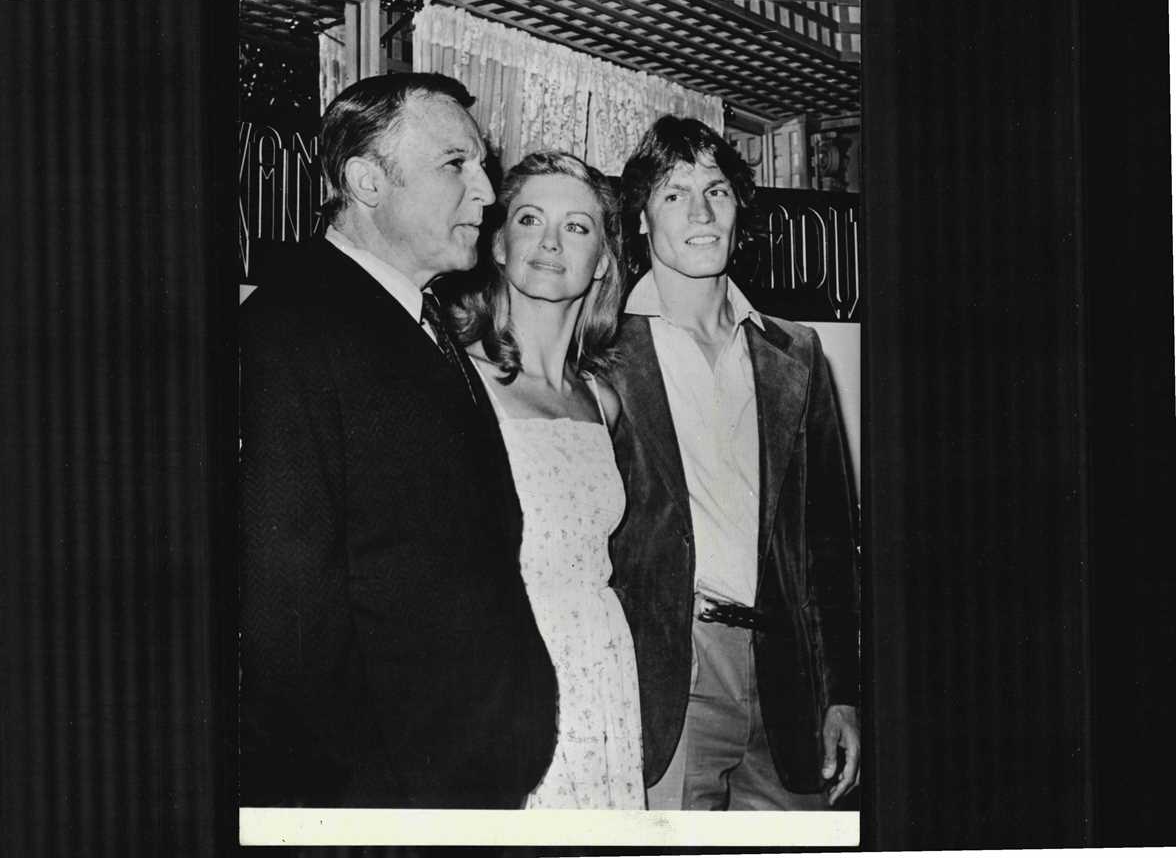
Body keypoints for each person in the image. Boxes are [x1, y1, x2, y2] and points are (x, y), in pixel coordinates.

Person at [238, 73, 557, 809]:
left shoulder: (419, 318)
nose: (485, 192)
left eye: (482, 165)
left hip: (456, 778)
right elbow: (288, 616)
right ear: (365, 181)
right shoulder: (290, 330)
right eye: (456, 165)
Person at [607, 115, 861, 811]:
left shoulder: (796, 353)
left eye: (716, 191)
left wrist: (843, 695)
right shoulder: (600, 356)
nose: (700, 212)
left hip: (787, 679)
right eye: (673, 193)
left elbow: (829, 545)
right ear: (638, 219)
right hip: (670, 679)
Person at [450, 150, 644, 809]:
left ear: (604, 261)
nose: (552, 242)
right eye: (530, 219)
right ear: (499, 244)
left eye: (579, 227)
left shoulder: (601, 397)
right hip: (506, 679)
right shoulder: (457, 381)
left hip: (601, 672)